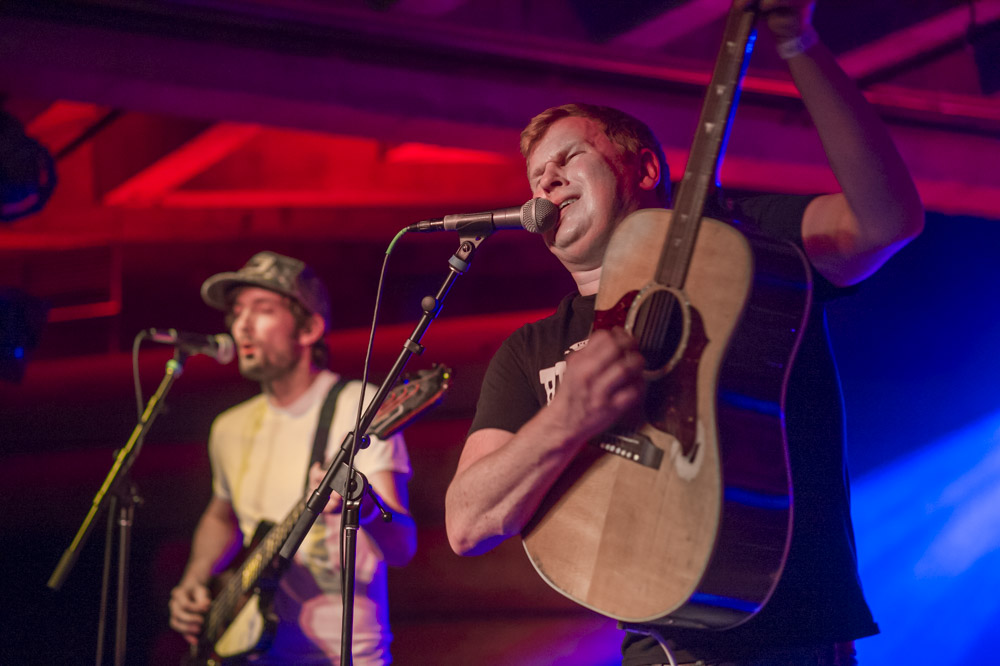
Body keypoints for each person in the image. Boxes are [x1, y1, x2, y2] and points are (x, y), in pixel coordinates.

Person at [444, 1, 924, 665]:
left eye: (570, 157)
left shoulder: (741, 244)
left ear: (642, 171)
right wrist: (566, 421)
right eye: (536, 176)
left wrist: (800, 41)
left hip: (794, 631)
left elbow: (887, 222)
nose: (547, 178)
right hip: (658, 644)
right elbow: (468, 522)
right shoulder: (531, 350)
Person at [168, 251, 417, 665]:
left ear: (309, 328)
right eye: (236, 311)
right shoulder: (228, 427)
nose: (241, 324)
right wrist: (195, 578)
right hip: (248, 653)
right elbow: (221, 515)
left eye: (261, 310)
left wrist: (364, 505)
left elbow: (402, 547)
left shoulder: (360, 406)